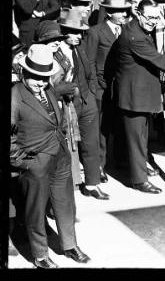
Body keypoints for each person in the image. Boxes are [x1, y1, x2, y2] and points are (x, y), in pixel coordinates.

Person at [11, 44, 91, 268]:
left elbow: (56, 119)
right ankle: (40, 254)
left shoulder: (47, 89)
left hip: (59, 157)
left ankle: (70, 245)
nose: (41, 83)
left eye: (45, 78)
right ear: (24, 73)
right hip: (35, 163)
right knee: (36, 211)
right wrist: (23, 161)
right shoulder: (15, 96)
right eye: (35, 77)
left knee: (65, 204)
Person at [113, 0, 165, 193]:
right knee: (136, 139)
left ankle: (140, 168)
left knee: (141, 136)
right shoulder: (135, 36)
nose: (153, 21)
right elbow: (159, 59)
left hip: (140, 94)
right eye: (149, 17)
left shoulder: (139, 29)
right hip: (133, 96)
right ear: (138, 13)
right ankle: (138, 180)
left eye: (156, 17)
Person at [54, 8, 109, 200]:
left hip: (87, 102)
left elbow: (90, 69)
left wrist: (91, 92)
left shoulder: (80, 47)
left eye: (81, 32)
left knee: (91, 144)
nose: (79, 36)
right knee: (64, 149)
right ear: (62, 31)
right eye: (74, 32)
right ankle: (65, 190)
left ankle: (92, 184)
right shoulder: (53, 51)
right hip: (65, 105)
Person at [86, 0, 132, 180]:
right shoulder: (96, 32)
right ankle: (100, 166)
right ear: (110, 12)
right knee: (102, 129)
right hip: (102, 88)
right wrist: (95, 86)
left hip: (120, 87)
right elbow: (89, 61)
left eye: (125, 10)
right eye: (120, 11)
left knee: (120, 124)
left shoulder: (127, 30)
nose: (124, 14)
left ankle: (121, 159)